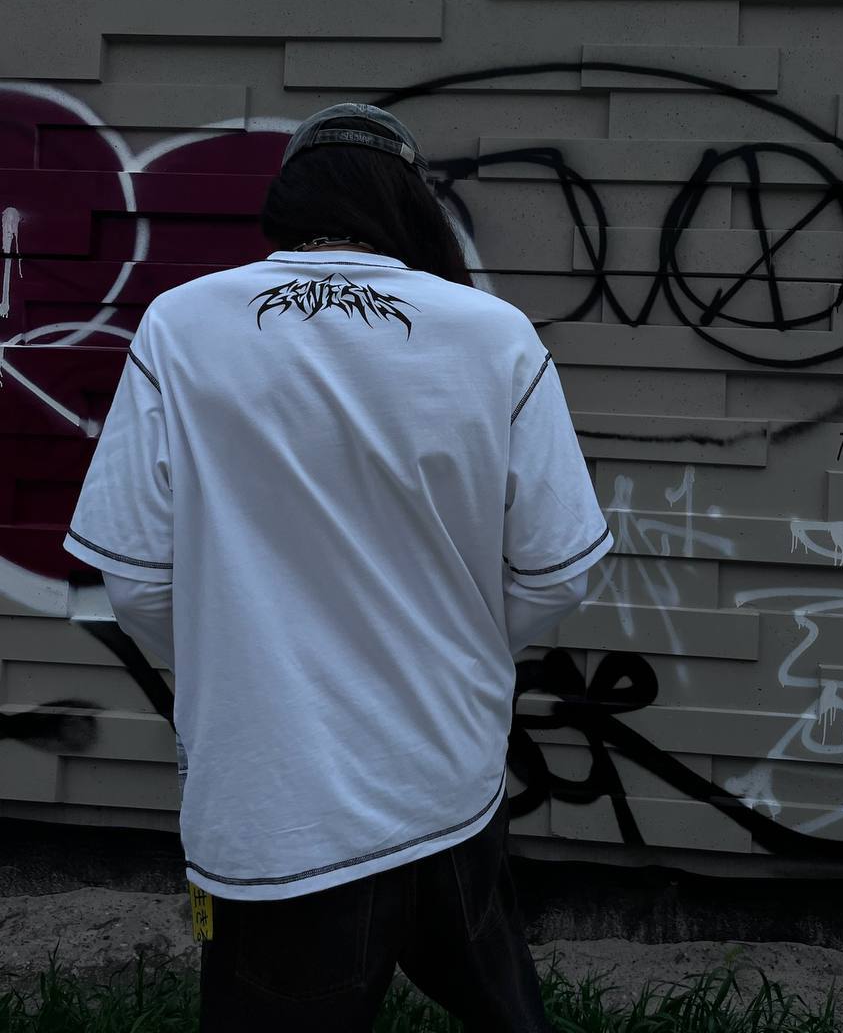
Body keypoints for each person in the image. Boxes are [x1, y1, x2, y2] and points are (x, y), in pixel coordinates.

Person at [62, 102, 615, 1032]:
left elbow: (138, 582)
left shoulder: (181, 327)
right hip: (448, 776)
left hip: (277, 803)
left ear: (291, 198)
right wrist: (461, 648)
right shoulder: (495, 335)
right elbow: (560, 571)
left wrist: (236, 665)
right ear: (412, 202)